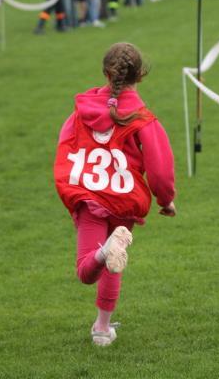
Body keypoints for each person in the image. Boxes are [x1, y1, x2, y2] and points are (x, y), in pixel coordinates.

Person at [54, 43, 176, 347]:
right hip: (124, 198)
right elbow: (160, 166)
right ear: (140, 75)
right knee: (114, 260)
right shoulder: (143, 118)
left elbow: (65, 144)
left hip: (89, 196)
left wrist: (71, 184)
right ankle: (102, 328)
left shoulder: (82, 110)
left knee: (87, 270)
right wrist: (165, 199)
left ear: (106, 73)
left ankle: (104, 256)